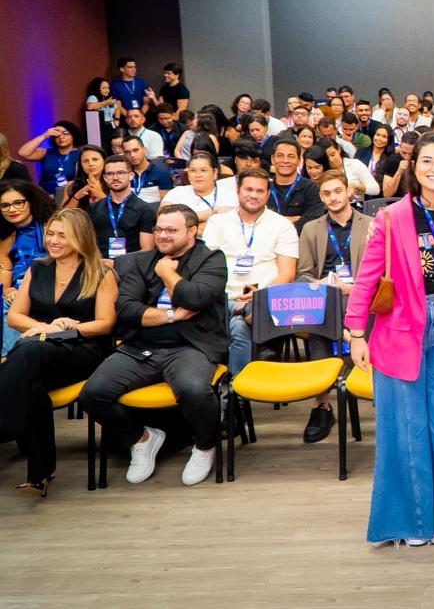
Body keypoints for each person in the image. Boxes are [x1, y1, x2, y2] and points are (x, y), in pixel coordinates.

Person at [342, 131, 434, 545]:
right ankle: (412, 522)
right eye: (427, 161)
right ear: (413, 166)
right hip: (401, 326)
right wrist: (356, 333)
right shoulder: (391, 217)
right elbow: (366, 278)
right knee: (406, 427)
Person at [81, 203, 227, 486]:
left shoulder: (211, 259)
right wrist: (172, 315)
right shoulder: (138, 261)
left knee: (194, 390)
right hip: (141, 347)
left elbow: (195, 298)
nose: (162, 235)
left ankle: (204, 445)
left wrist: (167, 274)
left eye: (171, 230)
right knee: (92, 394)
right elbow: (126, 308)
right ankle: (142, 439)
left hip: (190, 346)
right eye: (158, 229)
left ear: (192, 232)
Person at [0, 209, 117, 495]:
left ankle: (4, 424)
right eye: (50, 233)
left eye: (62, 235)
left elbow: (105, 324)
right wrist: (46, 327)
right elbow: (14, 316)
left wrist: (67, 330)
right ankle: (40, 475)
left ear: (80, 237)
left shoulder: (101, 272)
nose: (53, 240)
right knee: (32, 388)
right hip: (39, 348)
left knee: (29, 351)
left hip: (83, 350)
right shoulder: (38, 268)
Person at [202, 167, 299, 377]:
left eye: (260, 191)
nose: (254, 195)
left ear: (268, 194)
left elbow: (287, 274)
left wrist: (260, 295)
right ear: (238, 190)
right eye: (249, 189)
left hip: (264, 299)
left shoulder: (282, 225)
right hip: (221, 297)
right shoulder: (217, 222)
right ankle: (242, 384)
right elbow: (206, 268)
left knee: (239, 327)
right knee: (239, 323)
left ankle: (234, 387)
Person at [1, 181, 58, 357]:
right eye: (5, 205)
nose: (12, 209)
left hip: (49, 284)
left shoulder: (50, 227)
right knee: (5, 301)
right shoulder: (4, 237)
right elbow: (5, 272)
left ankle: (10, 357)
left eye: (18, 203)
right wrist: (8, 290)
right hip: (18, 290)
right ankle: (9, 356)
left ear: (30, 202)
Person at [87, 154, 156, 260]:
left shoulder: (145, 210)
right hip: (99, 264)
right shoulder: (93, 209)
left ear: (131, 175)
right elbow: (87, 243)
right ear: (105, 178)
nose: (115, 177)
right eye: (110, 174)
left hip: (131, 267)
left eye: (120, 173)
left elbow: (147, 251)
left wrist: (118, 264)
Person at [162, 151, 237, 237]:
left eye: (203, 170)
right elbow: (164, 218)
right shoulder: (176, 193)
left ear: (215, 172)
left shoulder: (229, 195)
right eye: (193, 170)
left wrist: (182, 223)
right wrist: (211, 213)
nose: (198, 175)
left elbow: (225, 228)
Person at [265, 140, 324, 225]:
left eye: (291, 156)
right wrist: (296, 219)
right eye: (280, 155)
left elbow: (314, 221)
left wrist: (274, 223)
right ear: (272, 159)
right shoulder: (264, 188)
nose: (285, 160)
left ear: (299, 160)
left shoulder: (311, 189)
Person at [17, 122, 81, 195]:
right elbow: (22, 153)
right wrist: (44, 135)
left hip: (68, 195)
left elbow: (79, 181)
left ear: (73, 135)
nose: (61, 137)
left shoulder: (79, 154)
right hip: (44, 195)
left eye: (65, 133)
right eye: (57, 135)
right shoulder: (46, 152)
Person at [121, 135, 173, 204]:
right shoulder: (123, 174)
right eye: (127, 152)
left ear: (144, 150)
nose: (132, 155)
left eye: (135, 150)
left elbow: (165, 204)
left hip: (154, 210)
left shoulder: (162, 173)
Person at [61, 145, 107, 211]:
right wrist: (77, 196)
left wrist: (100, 194)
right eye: (85, 161)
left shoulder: (112, 183)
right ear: (81, 165)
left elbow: (117, 213)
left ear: (104, 161)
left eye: (95, 159)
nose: (91, 164)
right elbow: (62, 214)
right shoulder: (71, 186)